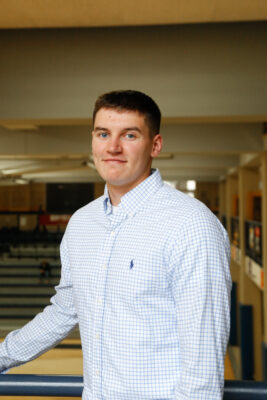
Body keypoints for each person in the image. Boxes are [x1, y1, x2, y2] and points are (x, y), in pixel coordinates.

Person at [0, 90, 231, 399]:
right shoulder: (82, 223)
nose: (113, 147)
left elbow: (203, 368)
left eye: (130, 135)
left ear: (155, 145)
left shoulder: (191, 225)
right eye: (103, 133)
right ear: (92, 140)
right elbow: (63, 313)